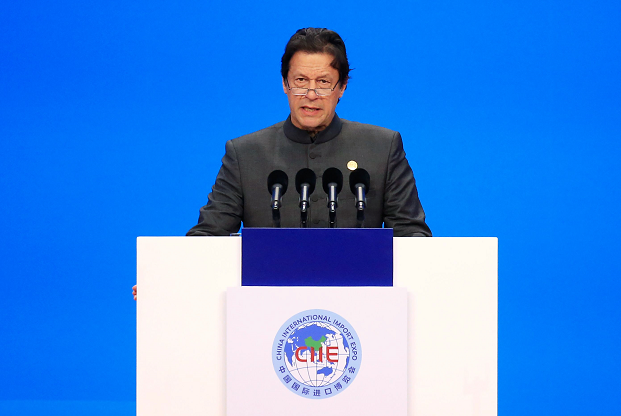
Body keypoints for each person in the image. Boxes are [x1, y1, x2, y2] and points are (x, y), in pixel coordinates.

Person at [133, 28, 431, 299]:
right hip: (266, 316)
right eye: (300, 81)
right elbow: (209, 235)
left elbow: (413, 238)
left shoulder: (382, 147)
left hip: (365, 310)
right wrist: (165, 278)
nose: (310, 95)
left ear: (342, 87)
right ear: (285, 84)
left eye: (324, 83)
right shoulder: (246, 153)